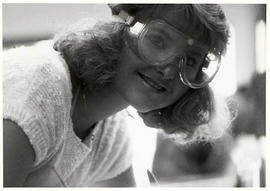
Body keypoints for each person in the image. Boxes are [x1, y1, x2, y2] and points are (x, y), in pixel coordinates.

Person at [3, 4, 234, 187]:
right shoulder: (40, 89)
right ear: (120, 26)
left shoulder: (110, 133)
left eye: (191, 60)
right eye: (157, 40)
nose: (170, 69)